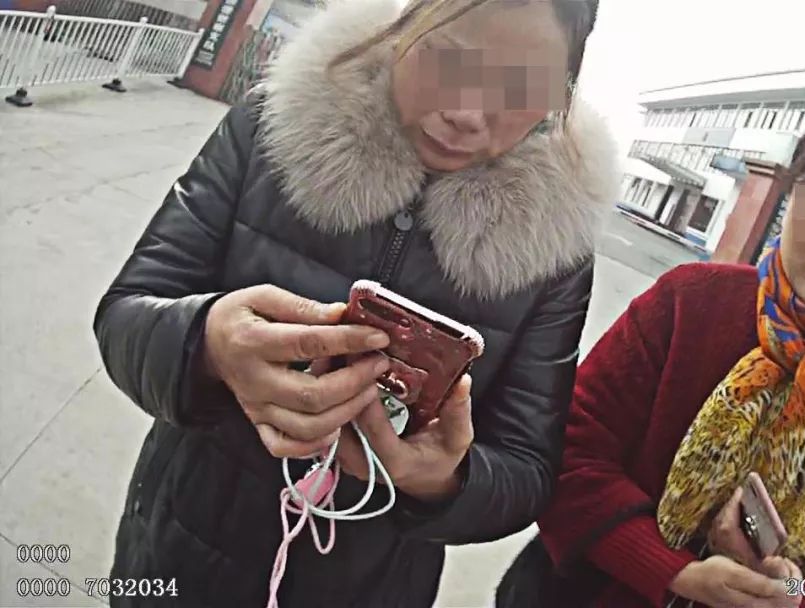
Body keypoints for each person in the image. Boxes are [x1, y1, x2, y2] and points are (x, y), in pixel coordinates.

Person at [93, 0, 613, 605]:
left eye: (518, 88)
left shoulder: (556, 245)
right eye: (447, 58)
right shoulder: (274, 124)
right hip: (178, 548)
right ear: (404, 25)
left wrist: (441, 481)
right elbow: (126, 313)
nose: (466, 112)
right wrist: (206, 342)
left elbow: (526, 470)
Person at [501, 104, 805, 608]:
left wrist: (796, 598)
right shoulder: (688, 303)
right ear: (790, 200)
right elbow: (569, 453)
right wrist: (675, 573)